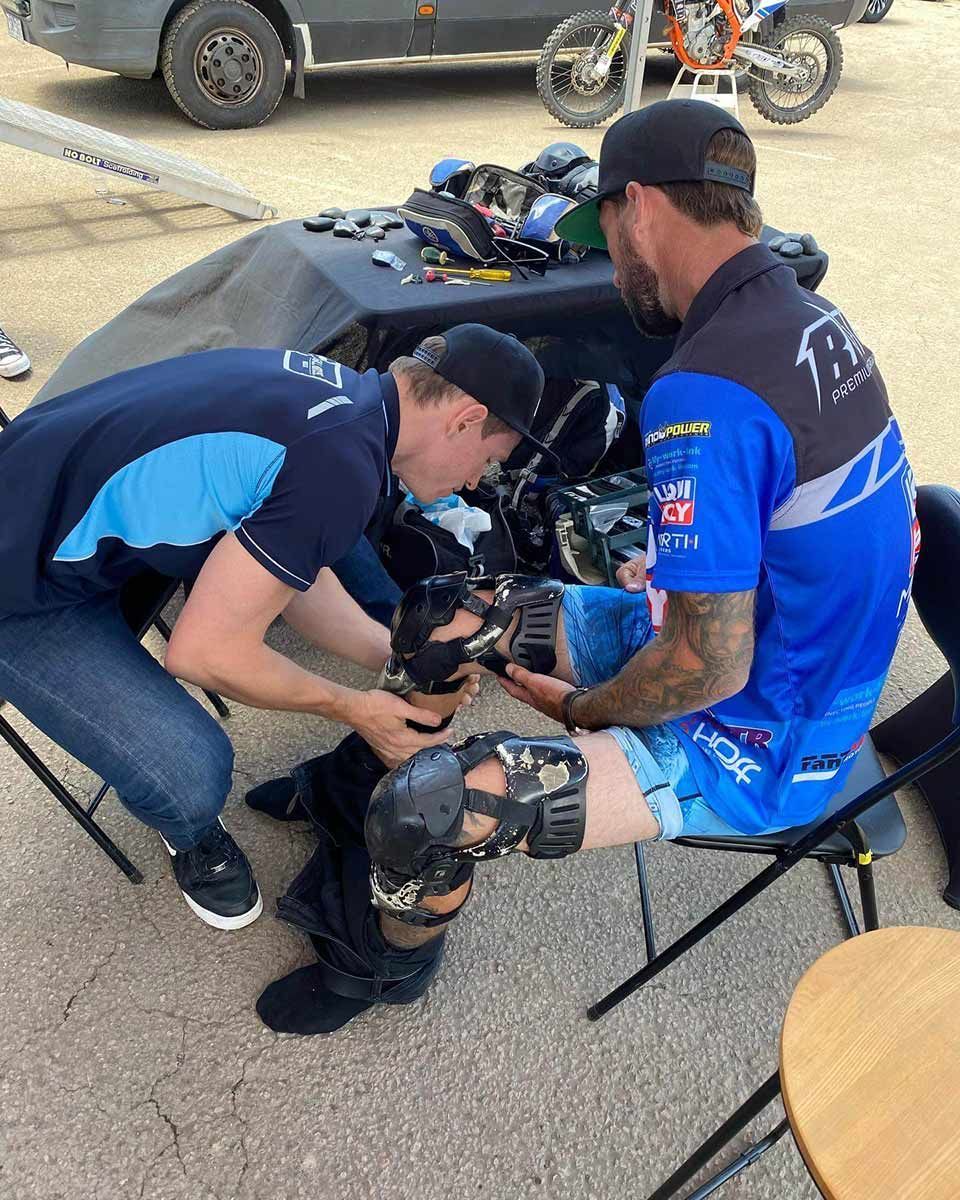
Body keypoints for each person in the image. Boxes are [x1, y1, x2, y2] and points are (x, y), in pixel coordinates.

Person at [253, 100, 919, 1034]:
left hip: (758, 737)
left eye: (604, 227)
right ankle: (343, 788)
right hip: (761, 655)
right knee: (439, 613)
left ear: (638, 207)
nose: (610, 258)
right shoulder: (813, 318)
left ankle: (383, 969)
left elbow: (709, 667)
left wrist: (579, 710)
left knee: (434, 813)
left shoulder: (708, 388)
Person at [0, 324, 555, 930]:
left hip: (54, 523)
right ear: (466, 418)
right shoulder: (338, 465)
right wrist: (354, 708)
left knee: (336, 555)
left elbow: (293, 578)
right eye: (489, 461)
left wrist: (395, 660)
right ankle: (188, 834)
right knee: (192, 772)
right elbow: (204, 654)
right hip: (18, 594)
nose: (476, 483)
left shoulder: (344, 401)